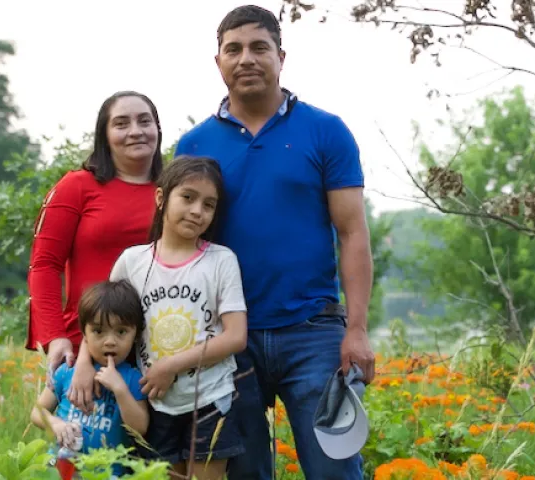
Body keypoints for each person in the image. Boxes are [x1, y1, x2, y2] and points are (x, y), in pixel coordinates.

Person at [174, 5, 376, 480]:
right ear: (218, 62)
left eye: (259, 47)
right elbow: (180, 243)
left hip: (313, 333)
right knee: (242, 474)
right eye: (234, 49)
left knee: (335, 470)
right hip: (226, 339)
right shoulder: (193, 145)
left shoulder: (326, 131)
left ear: (281, 56)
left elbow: (352, 232)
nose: (247, 58)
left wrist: (358, 328)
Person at [104, 155, 247, 480]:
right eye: (188, 197)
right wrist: (85, 364)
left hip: (210, 398)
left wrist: (170, 365)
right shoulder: (132, 262)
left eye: (209, 205)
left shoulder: (221, 261)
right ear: (161, 197)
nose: (198, 211)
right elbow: (104, 320)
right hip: (153, 402)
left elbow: (235, 336)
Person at [26, 91, 163, 411]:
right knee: (86, 449)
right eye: (121, 123)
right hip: (86, 347)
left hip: (156, 349)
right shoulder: (76, 186)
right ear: (104, 134)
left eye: (145, 121)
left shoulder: (173, 191)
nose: (135, 131)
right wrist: (54, 337)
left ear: (158, 129)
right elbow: (44, 265)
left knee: (152, 455)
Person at [30, 280, 149, 477]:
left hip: (107, 472)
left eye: (121, 331)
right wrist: (56, 424)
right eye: (98, 331)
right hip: (61, 468)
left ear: (136, 334)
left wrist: (120, 390)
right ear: (84, 332)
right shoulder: (67, 372)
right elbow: (37, 411)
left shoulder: (132, 378)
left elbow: (140, 428)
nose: (110, 341)